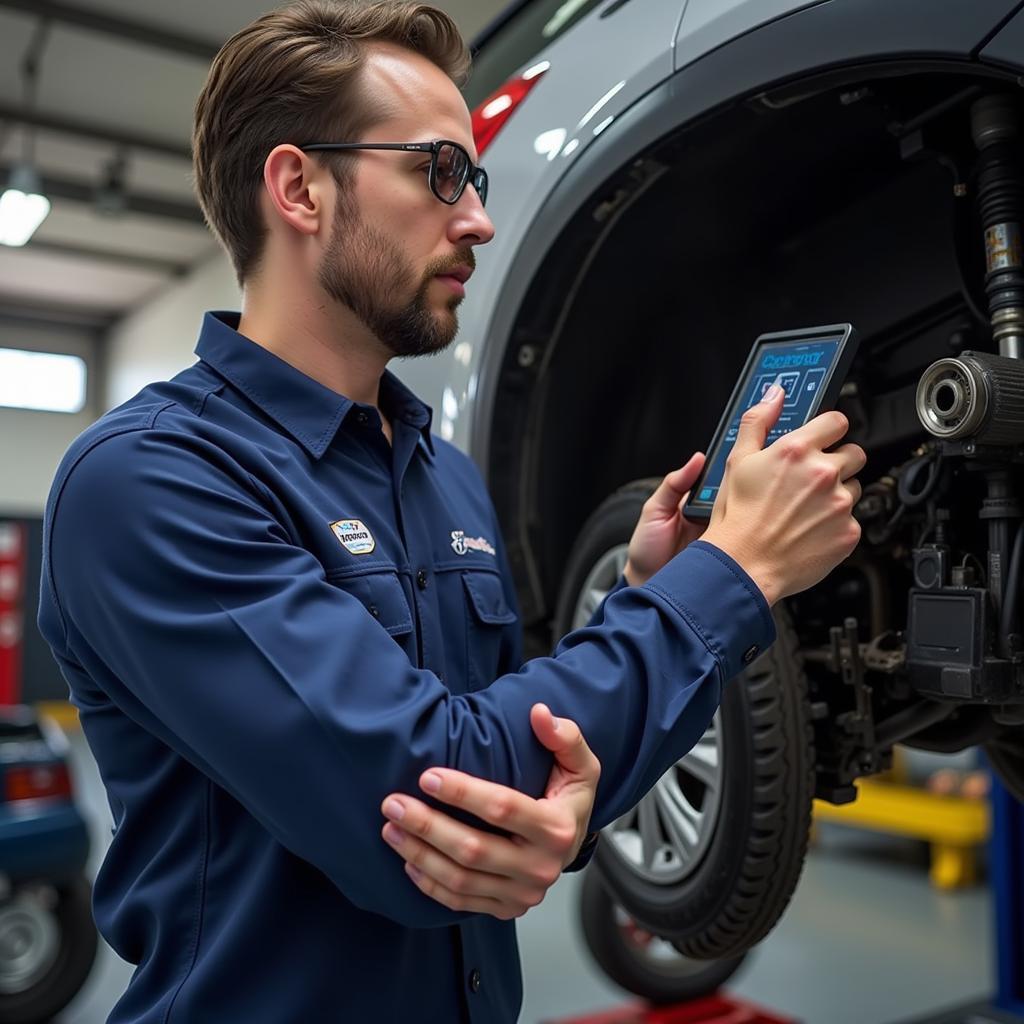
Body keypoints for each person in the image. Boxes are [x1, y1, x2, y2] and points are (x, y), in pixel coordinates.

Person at [37, 2, 866, 1021]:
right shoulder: (151, 482)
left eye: (470, 180)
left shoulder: (441, 475)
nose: (475, 217)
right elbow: (441, 786)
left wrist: (648, 597)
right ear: (298, 186)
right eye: (438, 173)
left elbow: (518, 749)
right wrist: (730, 575)